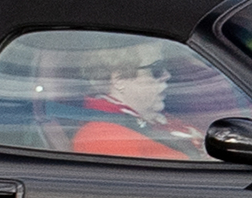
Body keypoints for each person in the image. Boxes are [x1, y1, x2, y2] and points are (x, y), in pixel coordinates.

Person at [70, 41, 207, 160]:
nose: (167, 75)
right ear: (120, 80)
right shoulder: (104, 137)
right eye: (156, 69)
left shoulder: (150, 120)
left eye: (165, 66)